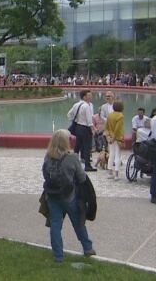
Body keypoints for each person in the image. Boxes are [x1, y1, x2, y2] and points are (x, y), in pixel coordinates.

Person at [42, 129, 95, 263]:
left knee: (55, 225)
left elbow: (44, 174)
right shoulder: (71, 157)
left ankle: (58, 256)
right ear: (67, 142)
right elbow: (82, 177)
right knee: (78, 222)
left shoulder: (48, 156)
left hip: (52, 195)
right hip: (69, 196)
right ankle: (88, 248)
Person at [67, 90, 96, 171]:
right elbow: (89, 121)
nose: (91, 97)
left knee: (78, 145)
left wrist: (75, 120)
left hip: (78, 127)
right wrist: (93, 129)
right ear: (84, 97)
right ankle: (87, 165)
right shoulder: (86, 106)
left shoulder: (77, 104)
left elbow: (69, 114)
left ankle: (73, 162)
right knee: (87, 147)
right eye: (89, 95)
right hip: (85, 128)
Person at [104, 101, 125, 180]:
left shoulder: (110, 115)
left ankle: (110, 172)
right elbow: (118, 128)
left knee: (111, 154)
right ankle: (116, 174)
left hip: (110, 136)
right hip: (117, 138)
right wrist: (114, 137)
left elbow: (107, 127)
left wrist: (108, 136)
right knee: (117, 155)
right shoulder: (120, 116)